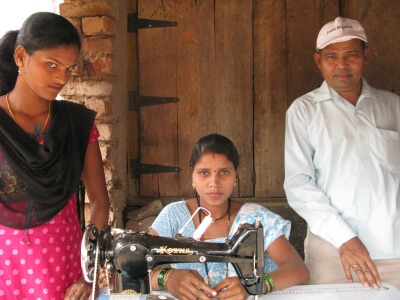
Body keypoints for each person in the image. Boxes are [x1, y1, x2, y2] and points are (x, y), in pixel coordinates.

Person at [284, 17, 400, 290]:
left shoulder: (393, 107)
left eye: (351, 55)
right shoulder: (304, 111)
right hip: (333, 255)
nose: (342, 65)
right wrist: (346, 239)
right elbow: (298, 184)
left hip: (394, 252)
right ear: (318, 60)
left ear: (366, 56)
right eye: (331, 57)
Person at [0, 12, 110, 299]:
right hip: (5, 266)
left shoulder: (76, 123)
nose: (62, 77)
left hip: (66, 266)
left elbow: (99, 200)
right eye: (51, 64)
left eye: (69, 68)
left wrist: (89, 271)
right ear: (21, 57)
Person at [149, 133, 309, 300]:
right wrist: (166, 278)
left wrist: (254, 286)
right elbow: (138, 266)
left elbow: (298, 269)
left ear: (236, 174)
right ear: (193, 175)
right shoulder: (174, 216)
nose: (214, 182)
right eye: (204, 173)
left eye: (224, 172)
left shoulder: (257, 218)